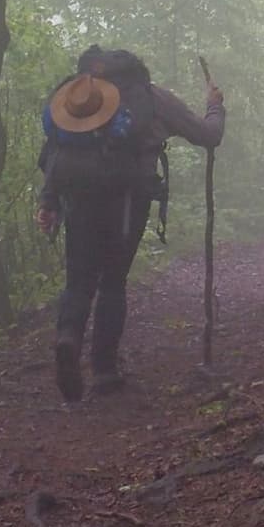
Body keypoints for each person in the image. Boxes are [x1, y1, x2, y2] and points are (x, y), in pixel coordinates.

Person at [37, 46, 224, 400]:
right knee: (112, 282)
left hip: (76, 201)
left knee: (78, 282)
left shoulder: (74, 101)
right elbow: (207, 135)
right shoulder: (149, 98)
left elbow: (55, 153)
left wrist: (48, 202)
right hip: (126, 202)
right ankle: (104, 372)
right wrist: (215, 106)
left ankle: (68, 339)